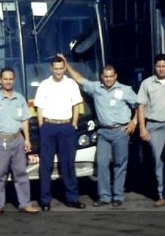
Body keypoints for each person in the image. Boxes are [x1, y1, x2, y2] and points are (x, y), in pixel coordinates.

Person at [58, 54, 137, 207]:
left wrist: (134, 121)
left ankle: (118, 196)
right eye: (105, 76)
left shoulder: (126, 90)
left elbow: (140, 104)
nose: (108, 79)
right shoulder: (96, 88)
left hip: (121, 131)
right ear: (102, 76)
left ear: (116, 76)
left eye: (111, 76)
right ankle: (105, 196)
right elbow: (79, 79)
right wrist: (66, 64)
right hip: (103, 133)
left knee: (120, 164)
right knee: (101, 163)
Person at [0, 67, 40, 216]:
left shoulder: (20, 98)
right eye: (5, 79)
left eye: (10, 79)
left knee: (21, 174)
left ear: (13, 80)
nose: (8, 82)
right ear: (0, 81)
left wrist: (27, 139)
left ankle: (25, 204)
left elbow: (25, 120)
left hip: (18, 140)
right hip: (1, 140)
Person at [34, 55, 86, 211]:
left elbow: (76, 104)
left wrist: (74, 124)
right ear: (51, 69)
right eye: (55, 69)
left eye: (61, 68)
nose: (58, 71)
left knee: (68, 165)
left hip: (66, 127)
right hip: (48, 127)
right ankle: (45, 201)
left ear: (64, 68)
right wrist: (42, 126)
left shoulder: (71, 84)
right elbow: (39, 108)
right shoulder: (44, 85)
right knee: (46, 165)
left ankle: (72, 198)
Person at [137, 53, 165, 207]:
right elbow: (141, 106)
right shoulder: (147, 84)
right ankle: (163, 195)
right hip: (155, 126)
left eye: (164, 66)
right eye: (158, 66)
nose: (161, 69)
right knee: (159, 162)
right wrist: (143, 128)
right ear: (155, 67)